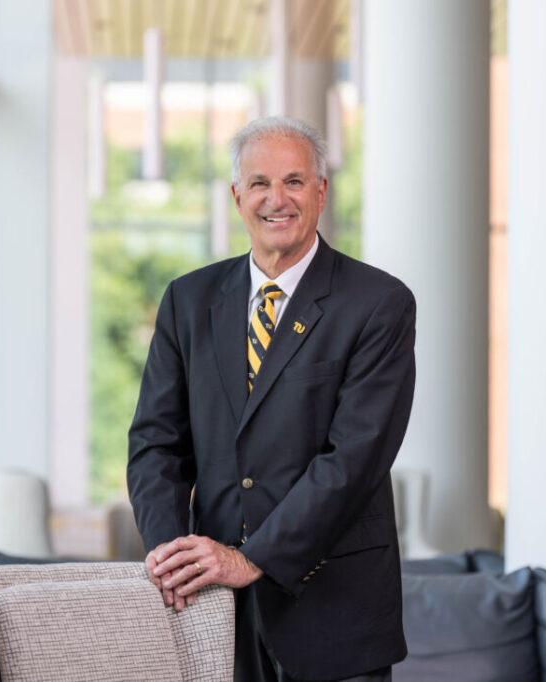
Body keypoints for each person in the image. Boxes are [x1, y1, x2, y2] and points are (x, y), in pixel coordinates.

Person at [127, 116, 416, 682]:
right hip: (213, 610)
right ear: (237, 196)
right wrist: (173, 557)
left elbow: (354, 461)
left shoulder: (378, 303)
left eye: (294, 181)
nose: (275, 199)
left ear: (321, 192)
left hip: (334, 610)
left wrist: (252, 557)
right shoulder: (189, 300)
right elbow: (156, 443)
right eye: (259, 183)